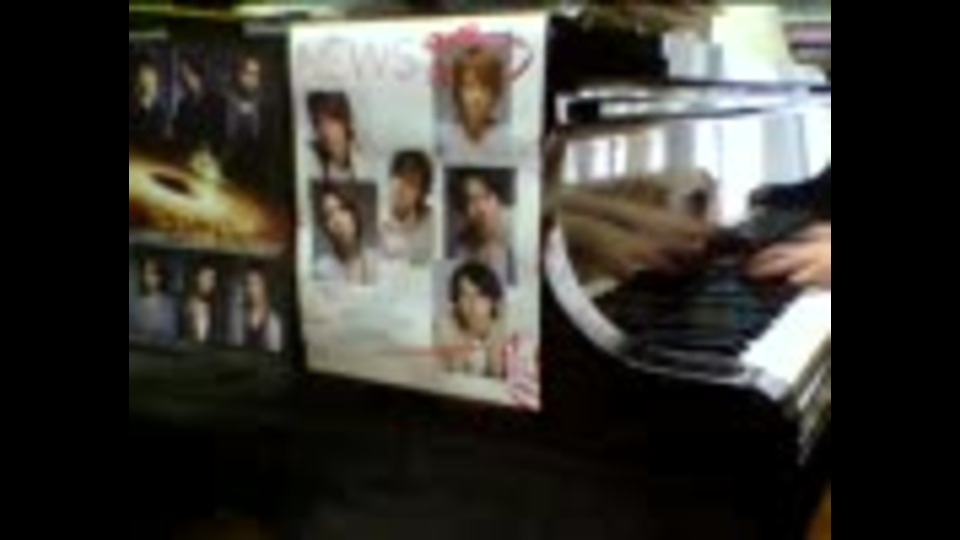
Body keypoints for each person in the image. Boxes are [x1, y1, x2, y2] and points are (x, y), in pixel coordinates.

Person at [435, 261, 509, 379]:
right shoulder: (444, 328)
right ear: (456, 301)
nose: (473, 304)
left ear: (493, 300)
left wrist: (496, 357)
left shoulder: (507, 327)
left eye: (480, 296)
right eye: (465, 296)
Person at [440, 44, 511, 162]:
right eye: (469, 87)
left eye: (485, 89)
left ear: (495, 94)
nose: (477, 97)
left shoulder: (505, 137)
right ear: (457, 92)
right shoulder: (444, 136)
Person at [451, 171, 515, 283]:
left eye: (487, 196)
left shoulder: (513, 249)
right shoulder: (456, 251)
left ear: (499, 200)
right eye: (471, 200)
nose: (481, 209)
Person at [382, 150, 435, 265]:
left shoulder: (432, 222)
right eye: (399, 177)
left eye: (411, 182)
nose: (401, 187)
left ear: (421, 193)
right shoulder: (375, 221)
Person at [315, 185, 376, 285]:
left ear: (354, 213)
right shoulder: (322, 270)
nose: (338, 220)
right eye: (329, 215)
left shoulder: (374, 260)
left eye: (342, 209)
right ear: (326, 228)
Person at [173, 55, 226, 158]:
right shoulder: (183, 104)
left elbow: (220, 135)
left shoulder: (217, 102)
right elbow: (179, 133)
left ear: (198, 73)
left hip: (210, 157)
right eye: (182, 74)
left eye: (188, 73)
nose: (185, 78)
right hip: (187, 156)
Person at [306, 92, 362, 183]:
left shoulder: (365, 158)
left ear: (345, 121)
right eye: (318, 122)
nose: (324, 130)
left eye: (331, 121)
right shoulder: (312, 161)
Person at [232, 267, 283, 353]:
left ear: (264, 286)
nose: (251, 289)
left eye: (255, 284)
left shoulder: (273, 321)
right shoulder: (240, 315)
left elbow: (275, 351)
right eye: (248, 284)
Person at [131, 257, 178, 344]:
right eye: (150, 273)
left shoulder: (172, 304)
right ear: (144, 276)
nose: (155, 278)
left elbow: (171, 335)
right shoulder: (137, 305)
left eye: (158, 273)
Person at [129, 58, 169, 154]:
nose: (147, 90)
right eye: (142, 84)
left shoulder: (160, 113)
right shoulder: (133, 109)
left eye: (152, 84)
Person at [182, 263, 227, 346]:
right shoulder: (185, 306)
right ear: (197, 278)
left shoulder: (217, 310)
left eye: (212, 279)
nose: (209, 283)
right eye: (206, 277)